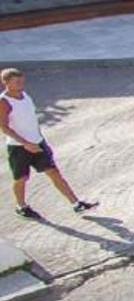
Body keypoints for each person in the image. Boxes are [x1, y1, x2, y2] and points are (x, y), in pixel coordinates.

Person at [3, 68, 96, 220]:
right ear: (6, 82)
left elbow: (30, 119)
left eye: (21, 81)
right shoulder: (4, 102)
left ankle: (76, 204)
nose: (20, 84)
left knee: (53, 172)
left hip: (38, 143)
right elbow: (4, 127)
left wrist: (40, 139)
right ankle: (21, 207)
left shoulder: (25, 95)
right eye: (16, 82)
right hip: (19, 148)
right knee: (21, 179)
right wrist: (25, 143)